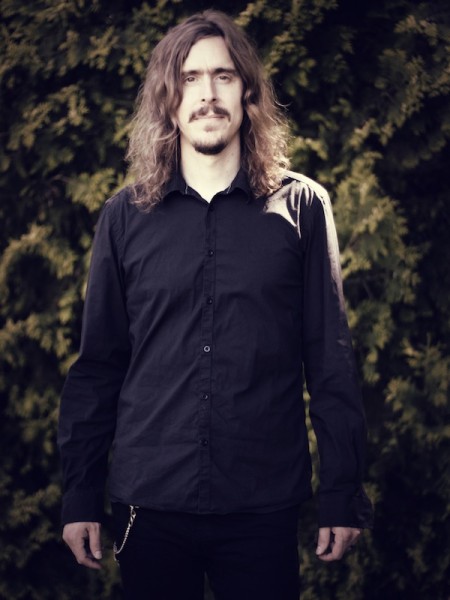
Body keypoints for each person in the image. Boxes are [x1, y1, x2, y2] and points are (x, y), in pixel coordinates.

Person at [58, 9, 373, 600]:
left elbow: (330, 363)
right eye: (190, 78)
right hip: (148, 503)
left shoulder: (303, 208)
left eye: (223, 76)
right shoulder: (124, 217)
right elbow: (99, 366)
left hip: (262, 504)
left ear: (247, 92)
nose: (207, 94)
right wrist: (79, 496)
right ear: (169, 99)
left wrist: (342, 492)